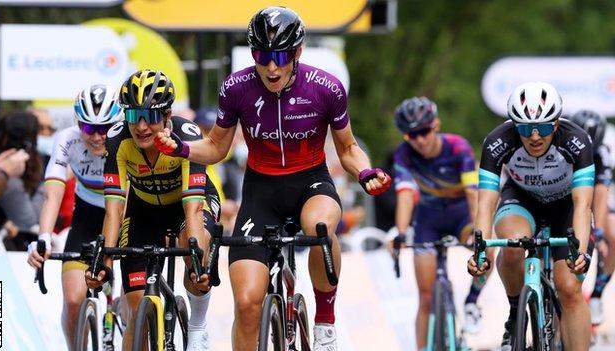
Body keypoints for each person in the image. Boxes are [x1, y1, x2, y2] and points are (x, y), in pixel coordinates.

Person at [153, 6, 391, 350]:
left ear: (297, 52)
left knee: (320, 228)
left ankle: (325, 321)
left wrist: (366, 172)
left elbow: (349, 147)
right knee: (248, 302)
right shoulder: (236, 88)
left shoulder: (326, 88)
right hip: (260, 191)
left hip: (311, 181)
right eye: (262, 55)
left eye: (280, 55)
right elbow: (216, 147)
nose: (271, 66)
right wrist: (181, 149)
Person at [84, 69, 220, 351]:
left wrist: (196, 260)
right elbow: (114, 210)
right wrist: (104, 264)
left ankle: (197, 326)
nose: (142, 126)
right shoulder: (117, 140)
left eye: (152, 116)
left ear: (168, 116)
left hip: (188, 206)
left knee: (194, 257)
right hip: (144, 209)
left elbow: (193, 209)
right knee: (137, 313)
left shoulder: (187, 135)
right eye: (134, 116)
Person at [467, 82, 594, 350]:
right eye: (525, 129)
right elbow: (486, 204)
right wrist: (480, 252)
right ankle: (515, 313)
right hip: (522, 198)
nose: (535, 137)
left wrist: (579, 253)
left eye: (544, 128)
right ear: (515, 126)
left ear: (556, 124)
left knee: (569, 288)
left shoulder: (577, 140)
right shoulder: (496, 141)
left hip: (566, 205)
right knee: (513, 244)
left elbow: (582, 204)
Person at [388, 97, 492, 348]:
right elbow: (404, 194)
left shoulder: (458, 147)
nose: (420, 140)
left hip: (461, 217)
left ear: (436, 125)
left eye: (424, 132)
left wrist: (478, 234)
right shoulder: (403, 154)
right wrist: (401, 233)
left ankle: (471, 301)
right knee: (425, 298)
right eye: (412, 135)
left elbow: (472, 193)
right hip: (428, 220)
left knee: (488, 249)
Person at [26, 84, 123, 350]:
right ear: (78, 123)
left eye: (104, 128)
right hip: (88, 216)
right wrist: (43, 237)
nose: (96, 136)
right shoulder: (67, 139)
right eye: (89, 128)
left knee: (132, 299)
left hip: (127, 215)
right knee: (72, 300)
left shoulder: (127, 139)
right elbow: (53, 194)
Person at [569, 109, 615, 326]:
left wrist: (600, 232)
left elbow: (600, 196)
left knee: (613, 235)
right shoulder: (563, 146)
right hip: (567, 198)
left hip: (594, 199)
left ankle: (597, 294)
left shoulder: (602, 153)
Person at [0, 111, 44, 249]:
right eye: (41, 132)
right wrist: (49, 184)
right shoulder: (8, 175)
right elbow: (27, 220)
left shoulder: (0, 167)